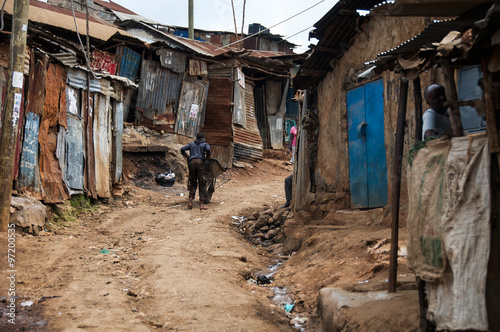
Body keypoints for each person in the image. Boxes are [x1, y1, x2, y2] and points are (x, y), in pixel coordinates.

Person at [181, 132, 211, 210]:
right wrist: (207, 157)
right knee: (202, 183)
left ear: (196, 138)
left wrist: (187, 156)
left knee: (193, 182)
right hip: (200, 163)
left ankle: (190, 202)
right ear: (203, 138)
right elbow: (208, 150)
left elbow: (182, 149)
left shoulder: (191, 144)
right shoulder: (205, 144)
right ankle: (201, 205)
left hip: (191, 163)